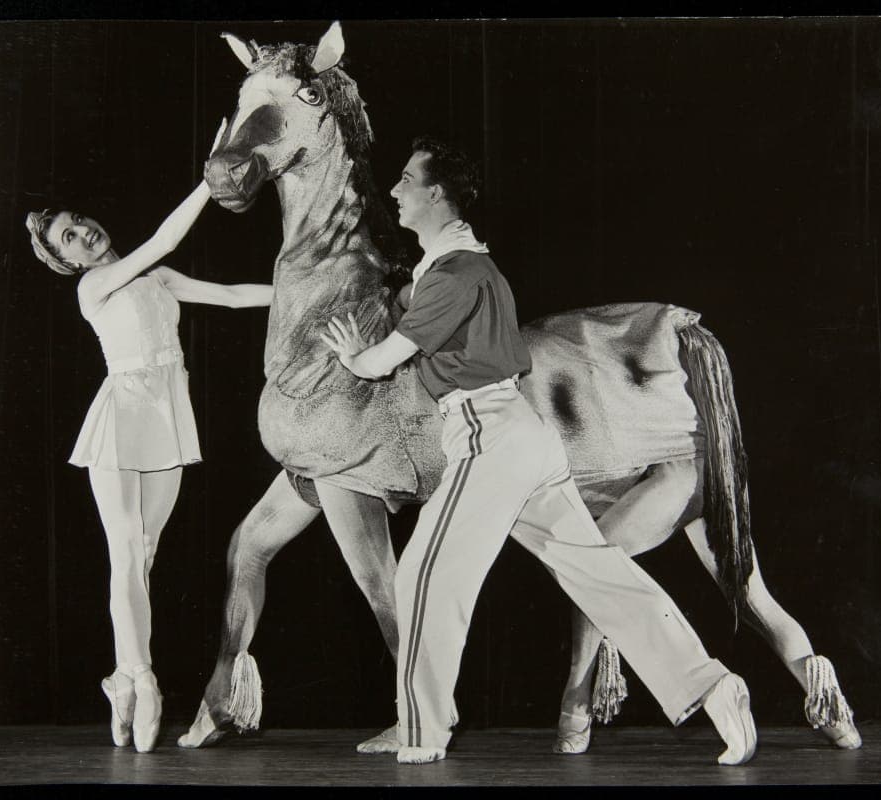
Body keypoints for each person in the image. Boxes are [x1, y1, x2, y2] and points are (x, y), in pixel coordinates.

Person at [321, 135, 757, 766]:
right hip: (525, 438)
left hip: (488, 436)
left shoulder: (455, 274)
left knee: (421, 574)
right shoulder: (472, 267)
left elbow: (381, 363)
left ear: (437, 193)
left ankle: (419, 731)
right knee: (600, 574)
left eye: (406, 180)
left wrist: (351, 355)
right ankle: (712, 685)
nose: (395, 191)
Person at [25, 125, 272, 754]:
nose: (84, 233)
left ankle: (118, 678)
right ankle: (141, 675)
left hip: (167, 415)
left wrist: (307, 295)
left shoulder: (156, 279)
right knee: (126, 555)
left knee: (145, 557)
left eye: (80, 221)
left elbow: (232, 295)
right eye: (70, 240)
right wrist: (209, 178)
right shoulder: (92, 288)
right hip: (121, 420)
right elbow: (165, 234)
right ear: (68, 262)